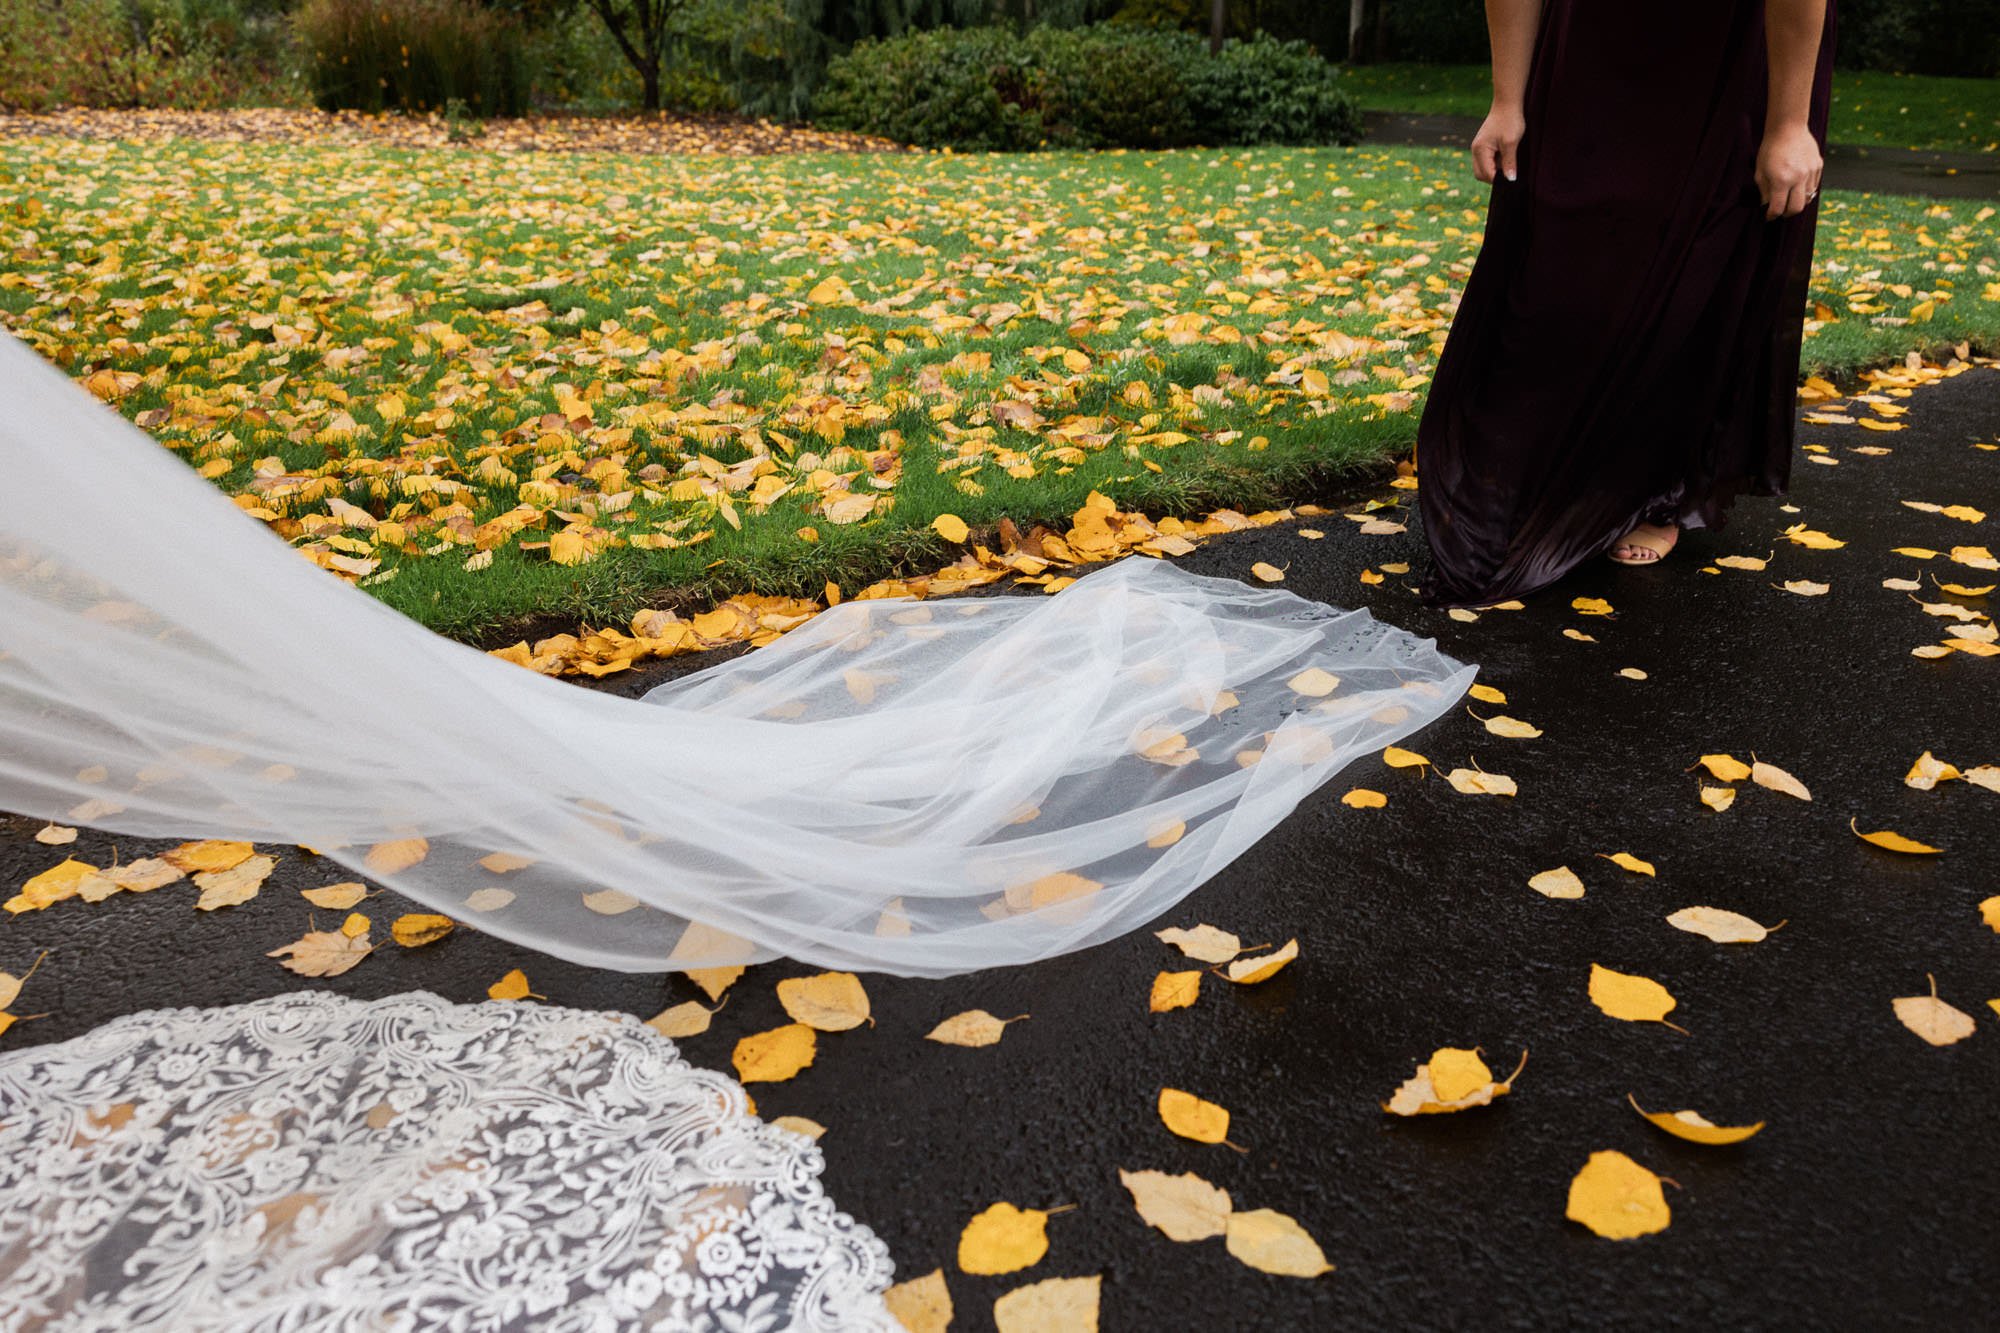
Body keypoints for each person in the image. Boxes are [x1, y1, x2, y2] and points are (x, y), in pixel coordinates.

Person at [1414, 0, 1836, 609]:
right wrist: (1507, 99)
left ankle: (1652, 489)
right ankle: (1535, 474)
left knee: (1695, 262)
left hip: (1731, 48)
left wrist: (1788, 124)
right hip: (1591, 39)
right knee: (1557, 249)